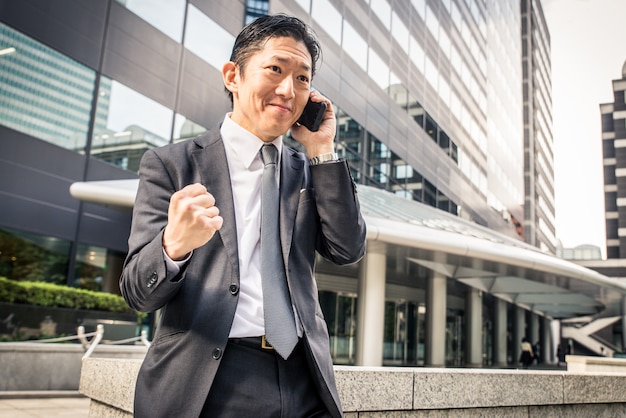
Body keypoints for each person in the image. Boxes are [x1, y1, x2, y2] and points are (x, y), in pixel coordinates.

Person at [119, 14, 366, 418]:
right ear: (233, 76)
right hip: (211, 380)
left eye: (303, 78)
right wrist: (174, 245)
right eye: (275, 69)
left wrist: (322, 149)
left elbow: (347, 249)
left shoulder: (312, 169)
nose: (289, 89)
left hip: (305, 379)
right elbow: (137, 293)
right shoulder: (171, 165)